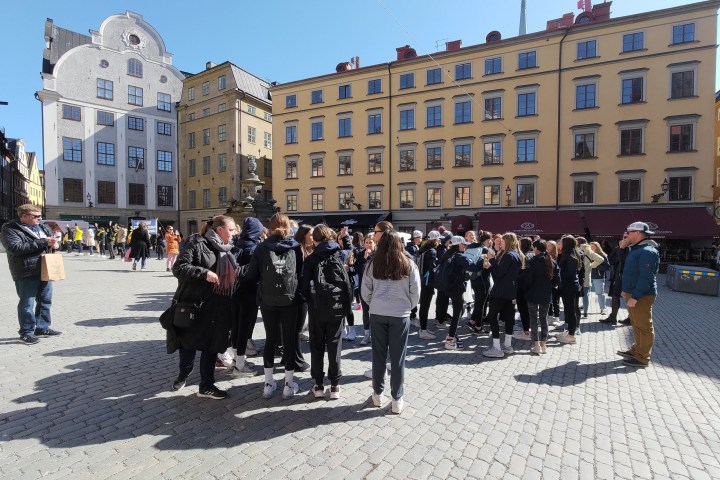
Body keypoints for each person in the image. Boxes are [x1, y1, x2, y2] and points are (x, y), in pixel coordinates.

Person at [167, 215, 238, 399]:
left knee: (211, 346)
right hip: (194, 306)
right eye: (231, 230)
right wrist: (203, 273)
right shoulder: (197, 244)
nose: (234, 233)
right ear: (220, 230)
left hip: (218, 307)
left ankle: (206, 386)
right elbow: (179, 268)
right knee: (188, 346)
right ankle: (184, 374)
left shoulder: (229, 250)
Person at [361, 229, 420, 414]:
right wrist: (408, 306)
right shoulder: (408, 263)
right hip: (400, 314)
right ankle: (397, 398)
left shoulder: (372, 264)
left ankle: (378, 394)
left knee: (378, 356)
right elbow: (416, 291)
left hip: (378, 313)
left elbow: (365, 291)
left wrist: (374, 304)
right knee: (398, 358)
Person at [245, 213, 303, 399]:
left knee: (270, 340)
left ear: (269, 227)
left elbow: (251, 275)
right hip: (290, 299)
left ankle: (268, 384)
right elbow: (299, 274)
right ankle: (288, 384)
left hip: (268, 300)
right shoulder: (295, 247)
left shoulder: (261, 248)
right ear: (288, 226)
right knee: (289, 340)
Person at [301, 224, 353, 400]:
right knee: (334, 345)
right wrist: (344, 237)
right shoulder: (339, 255)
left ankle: (318, 385)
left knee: (316, 346)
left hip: (317, 309)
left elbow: (303, 288)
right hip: (337, 309)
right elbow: (350, 250)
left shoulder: (310, 260)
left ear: (314, 240)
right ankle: (335, 385)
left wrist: (310, 302)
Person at [1, 205, 62, 344]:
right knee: (27, 303)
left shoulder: (43, 226)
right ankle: (26, 332)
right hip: (26, 270)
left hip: (46, 268)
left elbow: (52, 242)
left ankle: (42, 327)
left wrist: (56, 245)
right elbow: (15, 248)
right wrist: (42, 242)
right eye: (35, 216)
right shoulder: (10, 229)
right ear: (23, 216)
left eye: (40, 216)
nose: (39, 219)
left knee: (45, 300)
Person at [618, 222, 660, 368]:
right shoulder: (636, 249)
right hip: (633, 293)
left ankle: (643, 358)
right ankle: (637, 350)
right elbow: (622, 264)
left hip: (641, 295)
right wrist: (622, 248)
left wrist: (635, 296)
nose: (626, 235)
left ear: (637, 233)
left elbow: (646, 277)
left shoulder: (647, 251)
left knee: (644, 326)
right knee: (636, 324)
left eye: (629, 232)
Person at [481, 233, 524, 358]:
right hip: (510, 292)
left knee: (493, 316)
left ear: (508, 242)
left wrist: (492, 259)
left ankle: (497, 347)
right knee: (509, 318)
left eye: (503, 241)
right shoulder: (516, 254)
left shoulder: (509, 255)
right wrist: (492, 265)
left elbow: (499, 274)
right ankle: (507, 345)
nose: (501, 243)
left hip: (500, 291)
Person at [521, 240, 560, 355]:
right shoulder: (552, 261)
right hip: (546, 294)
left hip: (533, 293)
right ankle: (543, 344)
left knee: (533, 319)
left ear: (536, 248)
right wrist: (548, 286)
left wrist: (526, 288)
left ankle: (536, 344)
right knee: (544, 319)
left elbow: (526, 279)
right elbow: (557, 280)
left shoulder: (532, 261)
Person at [556, 236, 582, 344]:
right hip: (567, 287)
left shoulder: (571, 257)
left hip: (570, 287)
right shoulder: (564, 255)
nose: (559, 245)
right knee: (568, 310)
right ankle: (569, 332)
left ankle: (571, 335)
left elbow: (570, 274)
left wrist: (557, 273)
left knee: (571, 311)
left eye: (561, 243)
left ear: (565, 245)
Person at [601, 234, 630, 326]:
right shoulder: (619, 248)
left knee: (628, 297)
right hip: (618, 276)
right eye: (623, 237)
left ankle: (631, 318)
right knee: (614, 295)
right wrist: (619, 249)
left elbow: (624, 260)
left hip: (627, 277)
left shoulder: (632, 249)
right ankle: (613, 317)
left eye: (626, 237)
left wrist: (622, 249)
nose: (623, 239)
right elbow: (612, 260)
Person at [416, 230, 440, 340]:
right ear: (435, 240)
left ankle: (423, 328)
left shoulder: (423, 249)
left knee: (423, 306)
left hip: (421, 280)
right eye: (438, 239)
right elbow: (433, 269)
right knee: (425, 306)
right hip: (427, 282)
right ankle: (423, 330)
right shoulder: (432, 252)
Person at [589, 241, 609, 315]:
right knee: (586, 293)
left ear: (597, 247)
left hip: (598, 276)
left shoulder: (603, 255)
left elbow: (607, 266)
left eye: (592, 246)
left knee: (600, 293)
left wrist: (597, 266)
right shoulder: (588, 255)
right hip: (588, 276)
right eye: (590, 246)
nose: (591, 248)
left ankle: (603, 308)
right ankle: (585, 305)